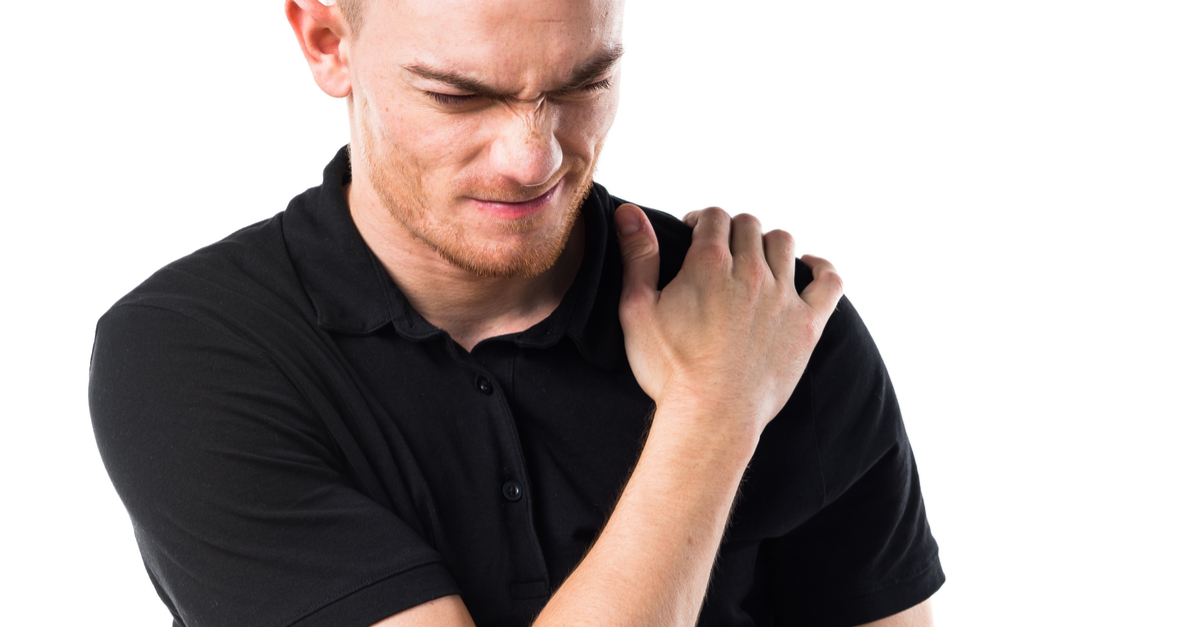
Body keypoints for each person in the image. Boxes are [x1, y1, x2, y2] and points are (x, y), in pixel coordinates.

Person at [89, 0, 944, 625]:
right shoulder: (188, 352)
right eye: (459, 97)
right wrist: (713, 414)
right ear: (325, 42)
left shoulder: (766, 317)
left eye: (586, 82)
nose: (532, 157)